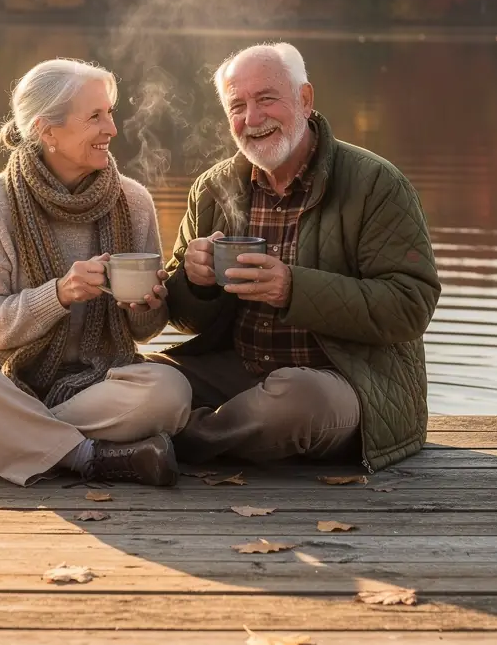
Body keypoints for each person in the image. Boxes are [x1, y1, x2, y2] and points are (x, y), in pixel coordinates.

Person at [0, 58, 192, 487]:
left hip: (92, 384)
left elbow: (144, 333)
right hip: (3, 378)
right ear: (46, 130)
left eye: (110, 113)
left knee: (170, 392)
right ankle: (87, 455)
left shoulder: (134, 202)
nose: (112, 129)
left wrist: (148, 305)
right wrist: (59, 294)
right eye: (95, 116)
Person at [153, 42, 441, 472]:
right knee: (140, 378)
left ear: (305, 100)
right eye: (238, 106)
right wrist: (194, 282)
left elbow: (409, 306)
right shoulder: (213, 188)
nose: (252, 119)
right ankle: (196, 432)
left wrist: (292, 288)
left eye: (266, 99)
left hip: (343, 382)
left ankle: (167, 444)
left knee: (296, 398)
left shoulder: (376, 183)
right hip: (238, 371)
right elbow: (185, 319)